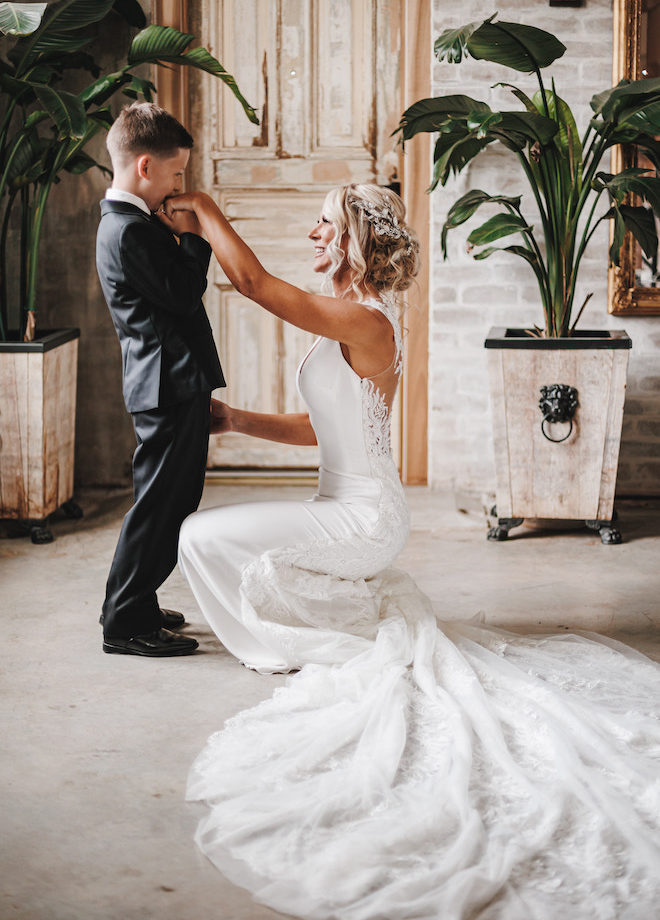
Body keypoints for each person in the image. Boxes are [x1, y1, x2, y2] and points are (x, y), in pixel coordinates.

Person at [168, 183, 660, 920]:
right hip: (341, 505)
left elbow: (252, 284)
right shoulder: (352, 320)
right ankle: (312, 629)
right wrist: (235, 419)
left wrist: (205, 209)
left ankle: (288, 644)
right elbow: (320, 428)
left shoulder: (366, 321)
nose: (313, 233)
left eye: (326, 225)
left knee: (199, 535)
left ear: (357, 241)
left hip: (365, 517)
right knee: (210, 540)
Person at [96, 103, 225, 657]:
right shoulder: (128, 231)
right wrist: (195, 235)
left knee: (173, 498)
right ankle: (125, 622)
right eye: (177, 173)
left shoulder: (133, 224)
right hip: (166, 383)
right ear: (145, 167)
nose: (181, 185)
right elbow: (182, 291)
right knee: (160, 504)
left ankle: (137, 600)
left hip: (170, 380)